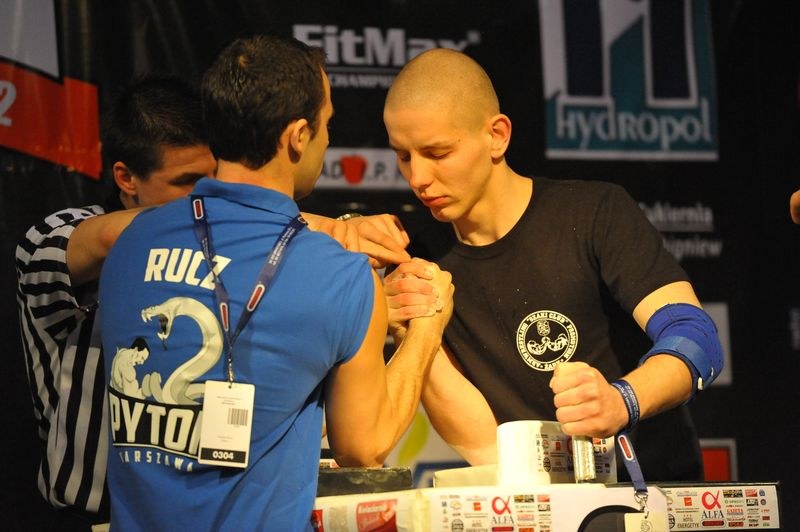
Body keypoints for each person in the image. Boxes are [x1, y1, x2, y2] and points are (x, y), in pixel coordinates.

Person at [16, 74, 412, 531]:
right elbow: (109, 236)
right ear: (126, 177)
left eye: (213, 178)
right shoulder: (55, 236)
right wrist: (327, 226)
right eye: (186, 181)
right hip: (90, 515)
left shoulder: (239, 251)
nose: (207, 197)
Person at [97, 34, 453, 530]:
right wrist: (427, 328)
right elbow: (363, 447)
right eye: (327, 124)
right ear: (298, 136)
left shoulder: (129, 244)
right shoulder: (340, 277)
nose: (327, 140)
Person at [382, 48, 723, 481]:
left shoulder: (595, 212)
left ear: (497, 136)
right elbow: (483, 443)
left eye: (438, 152)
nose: (417, 178)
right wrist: (412, 335)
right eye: (404, 156)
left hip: (653, 494)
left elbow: (697, 340)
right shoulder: (416, 256)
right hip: (532, 500)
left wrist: (621, 401)